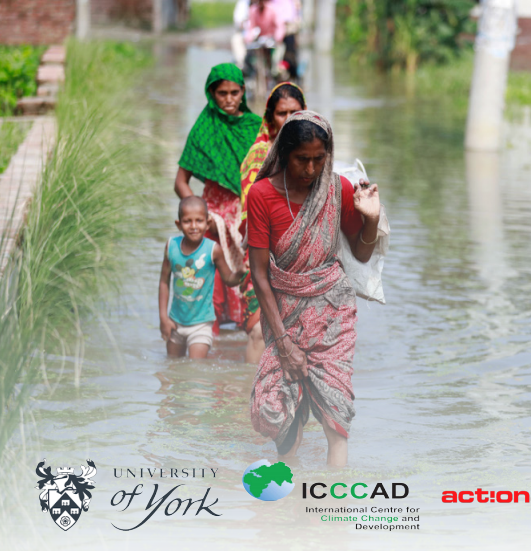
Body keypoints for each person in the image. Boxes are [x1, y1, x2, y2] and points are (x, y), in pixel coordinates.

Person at [247, 111, 380, 467]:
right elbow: (260, 275)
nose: (310, 169)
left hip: (332, 312)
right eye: (301, 160)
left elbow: (362, 253)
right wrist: (284, 342)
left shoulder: (338, 190)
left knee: (336, 414)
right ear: (284, 154)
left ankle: (331, 511)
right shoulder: (261, 195)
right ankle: (284, 510)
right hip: (284, 311)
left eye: (319, 160)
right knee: (278, 413)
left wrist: (371, 218)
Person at [175, 63, 261, 343]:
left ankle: (243, 358)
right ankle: (207, 353)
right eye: (221, 92)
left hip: (248, 221)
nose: (228, 99)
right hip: (213, 223)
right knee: (210, 290)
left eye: (234, 92)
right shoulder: (203, 128)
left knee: (250, 284)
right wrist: (200, 215)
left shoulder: (256, 127)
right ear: (211, 93)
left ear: (243, 92)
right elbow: (180, 182)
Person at [239, 82, 306, 364]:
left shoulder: (312, 153)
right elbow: (250, 212)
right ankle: (249, 396)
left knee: (300, 332)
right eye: (282, 113)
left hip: (301, 256)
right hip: (260, 251)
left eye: (295, 112)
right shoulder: (259, 154)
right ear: (269, 118)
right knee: (257, 330)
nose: (289, 119)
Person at [159, 197, 247, 359]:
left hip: (202, 324)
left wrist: (240, 273)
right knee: (172, 368)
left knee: (196, 371)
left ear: (207, 223)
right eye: (187, 221)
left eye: (199, 221)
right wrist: (163, 318)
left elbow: (229, 278)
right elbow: (164, 282)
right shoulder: (171, 247)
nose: (194, 226)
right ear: (179, 224)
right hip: (175, 322)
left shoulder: (213, 250)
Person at [244, 0, 286, 78]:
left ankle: (276, 69)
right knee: (250, 54)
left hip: (272, 40)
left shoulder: (273, 9)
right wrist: (249, 39)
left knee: (279, 51)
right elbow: (250, 27)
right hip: (260, 40)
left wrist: (278, 38)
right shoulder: (253, 10)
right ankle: (249, 69)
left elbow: (280, 27)